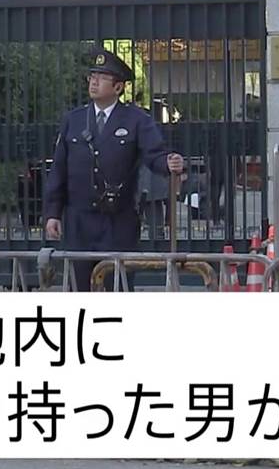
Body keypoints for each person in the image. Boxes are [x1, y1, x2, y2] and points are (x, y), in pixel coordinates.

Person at [42, 49, 185, 291]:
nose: (94, 82)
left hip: (118, 221)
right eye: (92, 76)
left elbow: (154, 154)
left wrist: (169, 163)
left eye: (101, 77)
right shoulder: (74, 120)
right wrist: (52, 213)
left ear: (118, 87)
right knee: (79, 287)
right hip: (79, 221)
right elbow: (59, 169)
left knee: (118, 287)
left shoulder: (136, 120)